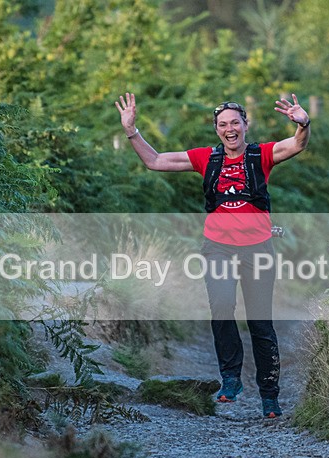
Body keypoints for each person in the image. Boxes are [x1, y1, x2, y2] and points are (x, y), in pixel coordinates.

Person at [114, 93, 311, 418]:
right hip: (217, 248)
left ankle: (269, 396)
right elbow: (156, 161)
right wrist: (132, 131)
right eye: (223, 124)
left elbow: (297, 145)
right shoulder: (207, 158)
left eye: (235, 122)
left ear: (246, 125)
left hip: (257, 249)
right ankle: (231, 379)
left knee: (260, 322)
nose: (230, 129)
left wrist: (303, 123)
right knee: (221, 307)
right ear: (217, 129)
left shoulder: (261, 154)